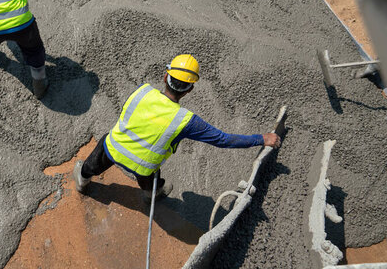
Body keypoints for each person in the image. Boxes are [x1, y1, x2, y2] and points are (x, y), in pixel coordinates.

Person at [73, 54, 281, 201]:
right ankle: (153, 193)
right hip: (143, 167)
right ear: (190, 90)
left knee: (104, 143)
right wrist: (261, 139)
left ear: (165, 77)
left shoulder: (142, 92)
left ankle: (83, 179)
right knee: (151, 179)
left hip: (113, 149)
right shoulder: (186, 121)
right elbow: (223, 140)